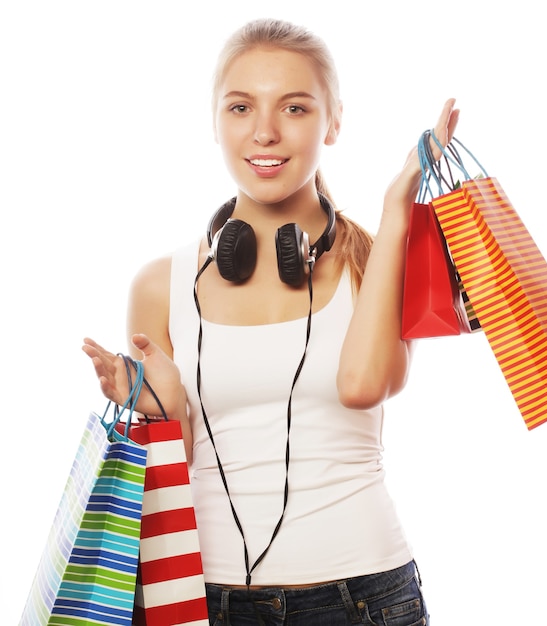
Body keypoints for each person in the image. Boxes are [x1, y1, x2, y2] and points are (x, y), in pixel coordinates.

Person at [83, 17, 459, 626]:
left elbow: (364, 386)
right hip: (206, 596)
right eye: (240, 108)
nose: (264, 132)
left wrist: (397, 212)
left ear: (333, 121)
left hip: (362, 596)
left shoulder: (374, 258)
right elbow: (167, 490)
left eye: (295, 108)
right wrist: (164, 410)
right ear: (214, 121)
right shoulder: (161, 285)